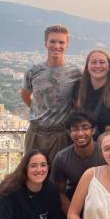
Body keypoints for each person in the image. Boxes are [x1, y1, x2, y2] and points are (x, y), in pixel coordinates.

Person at [51, 109, 104, 219]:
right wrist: (74, 218)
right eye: (75, 128)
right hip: (73, 201)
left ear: (93, 130)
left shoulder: (104, 153)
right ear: (69, 132)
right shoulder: (62, 157)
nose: (80, 133)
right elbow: (58, 191)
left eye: (85, 127)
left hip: (101, 203)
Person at [20, 25, 82, 163]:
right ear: (46, 43)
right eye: (53, 41)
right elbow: (25, 93)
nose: (57, 46)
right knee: (31, 174)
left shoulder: (76, 72)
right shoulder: (33, 71)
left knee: (57, 176)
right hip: (35, 132)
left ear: (67, 45)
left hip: (60, 134)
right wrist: (37, 108)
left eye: (61, 42)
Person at [74, 49, 110, 137]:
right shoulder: (78, 87)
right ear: (87, 67)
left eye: (102, 62)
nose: (97, 66)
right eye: (93, 62)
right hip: (84, 144)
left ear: (109, 67)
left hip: (108, 144)